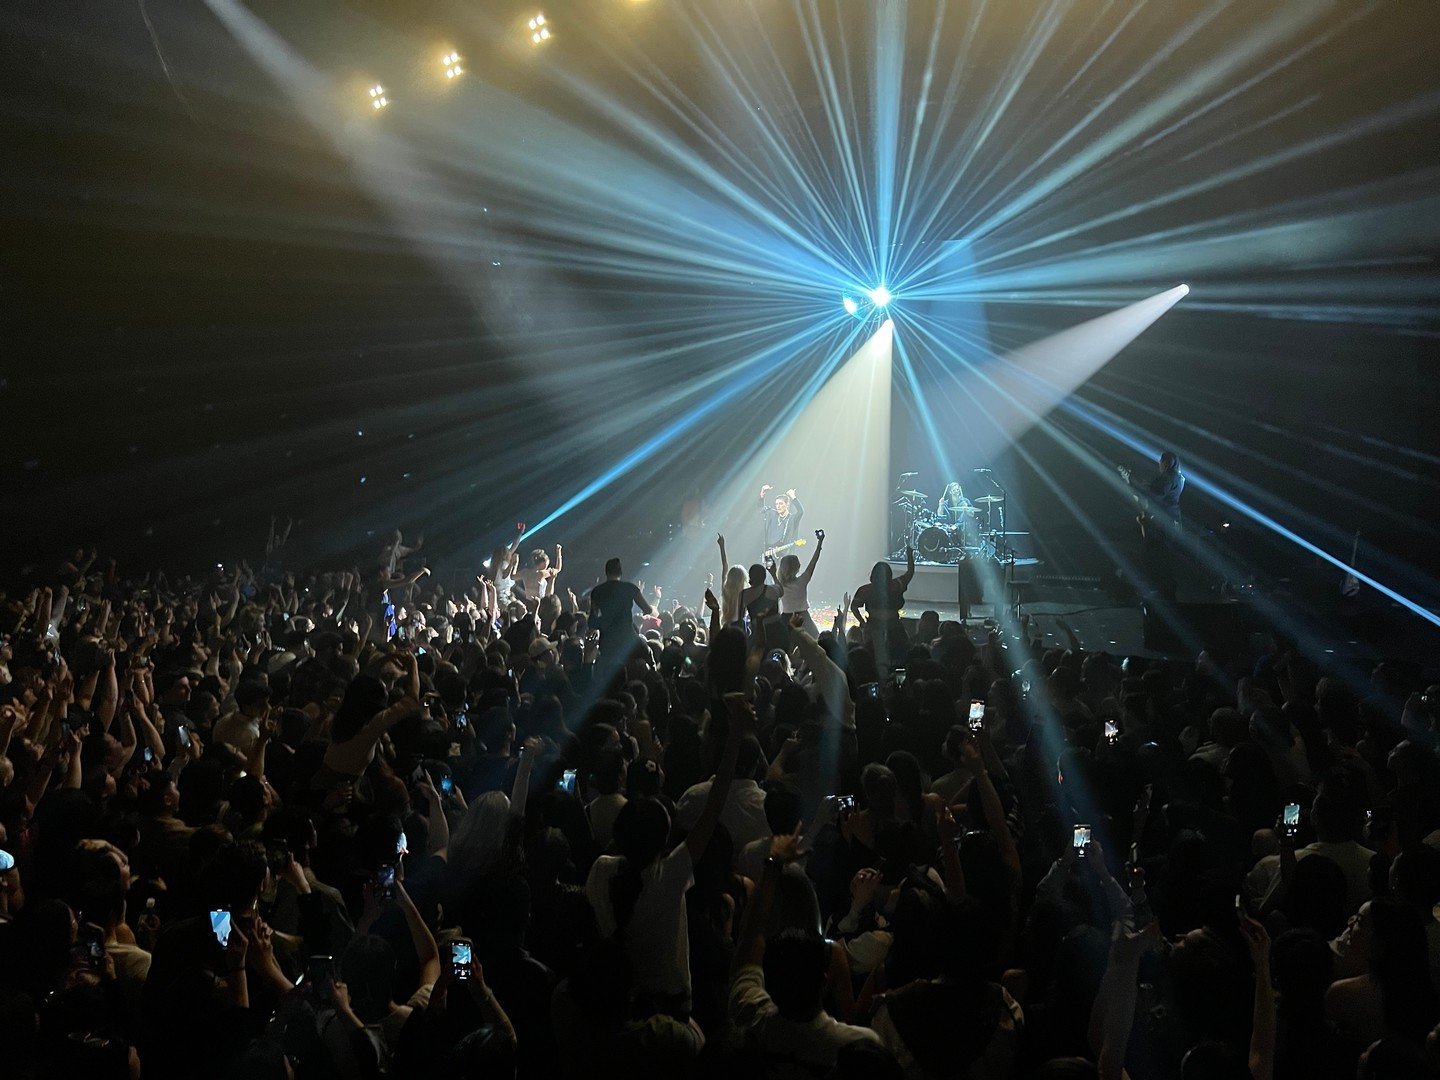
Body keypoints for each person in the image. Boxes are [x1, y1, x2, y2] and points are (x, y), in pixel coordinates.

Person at [850, 547, 915, 673]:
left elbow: (854, 607)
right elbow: (910, 572)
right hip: (892, 624)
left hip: (877, 625)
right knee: (902, 652)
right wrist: (909, 556)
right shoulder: (896, 585)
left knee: (872, 654)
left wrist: (862, 622)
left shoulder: (866, 590)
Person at [588, 558, 653, 658]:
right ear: (621, 572)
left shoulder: (597, 591)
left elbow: (592, 620)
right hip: (627, 638)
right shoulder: (630, 588)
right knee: (647, 654)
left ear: (606, 572)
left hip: (606, 641)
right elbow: (648, 609)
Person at [771, 531, 825, 638]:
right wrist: (820, 543)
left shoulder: (780, 584)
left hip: (786, 618)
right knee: (814, 640)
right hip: (803, 617)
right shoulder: (802, 581)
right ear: (797, 567)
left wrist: (772, 572)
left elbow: (774, 575)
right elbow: (813, 562)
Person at [759, 484, 805, 552]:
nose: (778, 506)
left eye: (780, 503)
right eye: (776, 504)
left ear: (787, 504)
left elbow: (801, 511)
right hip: (768, 553)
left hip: (783, 555)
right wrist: (762, 493)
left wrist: (793, 496)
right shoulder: (772, 514)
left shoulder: (792, 519)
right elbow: (761, 509)